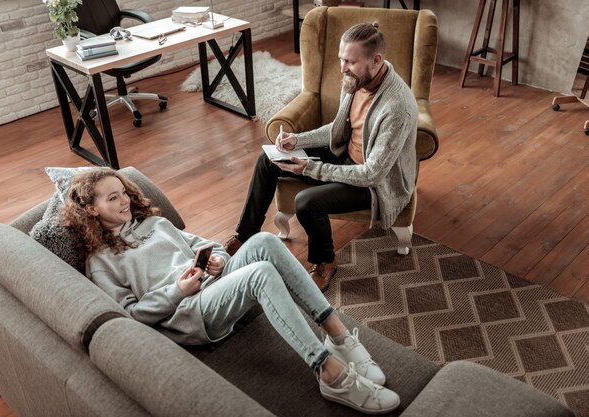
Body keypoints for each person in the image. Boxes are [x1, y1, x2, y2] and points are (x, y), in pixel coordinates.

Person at [61, 167, 401, 415]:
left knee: (265, 240)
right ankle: (329, 372)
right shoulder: (100, 261)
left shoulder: (155, 223)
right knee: (261, 273)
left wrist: (220, 262)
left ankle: (338, 335)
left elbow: (211, 247)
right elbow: (130, 316)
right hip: (187, 315)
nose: (123, 201)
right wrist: (178, 291)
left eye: (123, 192)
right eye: (112, 198)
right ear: (91, 209)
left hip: (214, 287)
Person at [225, 22, 418, 293]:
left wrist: (310, 169)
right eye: (341, 60)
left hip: (374, 184)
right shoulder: (354, 81)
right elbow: (339, 127)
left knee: (306, 203)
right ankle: (245, 236)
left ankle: (325, 261)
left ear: (376, 60)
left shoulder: (397, 107)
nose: (342, 68)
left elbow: (372, 173)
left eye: (350, 61)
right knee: (269, 158)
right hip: (346, 155)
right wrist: (298, 140)